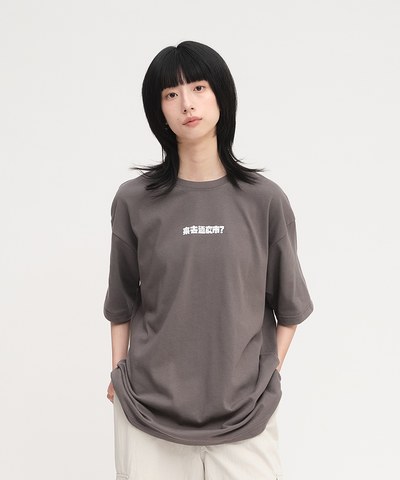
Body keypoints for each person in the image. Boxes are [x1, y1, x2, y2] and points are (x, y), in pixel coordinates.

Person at [103, 40, 314, 480]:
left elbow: (290, 307)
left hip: (246, 418)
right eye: (171, 93)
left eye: (198, 87)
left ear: (221, 95)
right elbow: (121, 301)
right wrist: (118, 374)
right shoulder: (134, 200)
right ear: (158, 110)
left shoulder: (264, 200)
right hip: (147, 414)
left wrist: (264, 378)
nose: (187, 103)